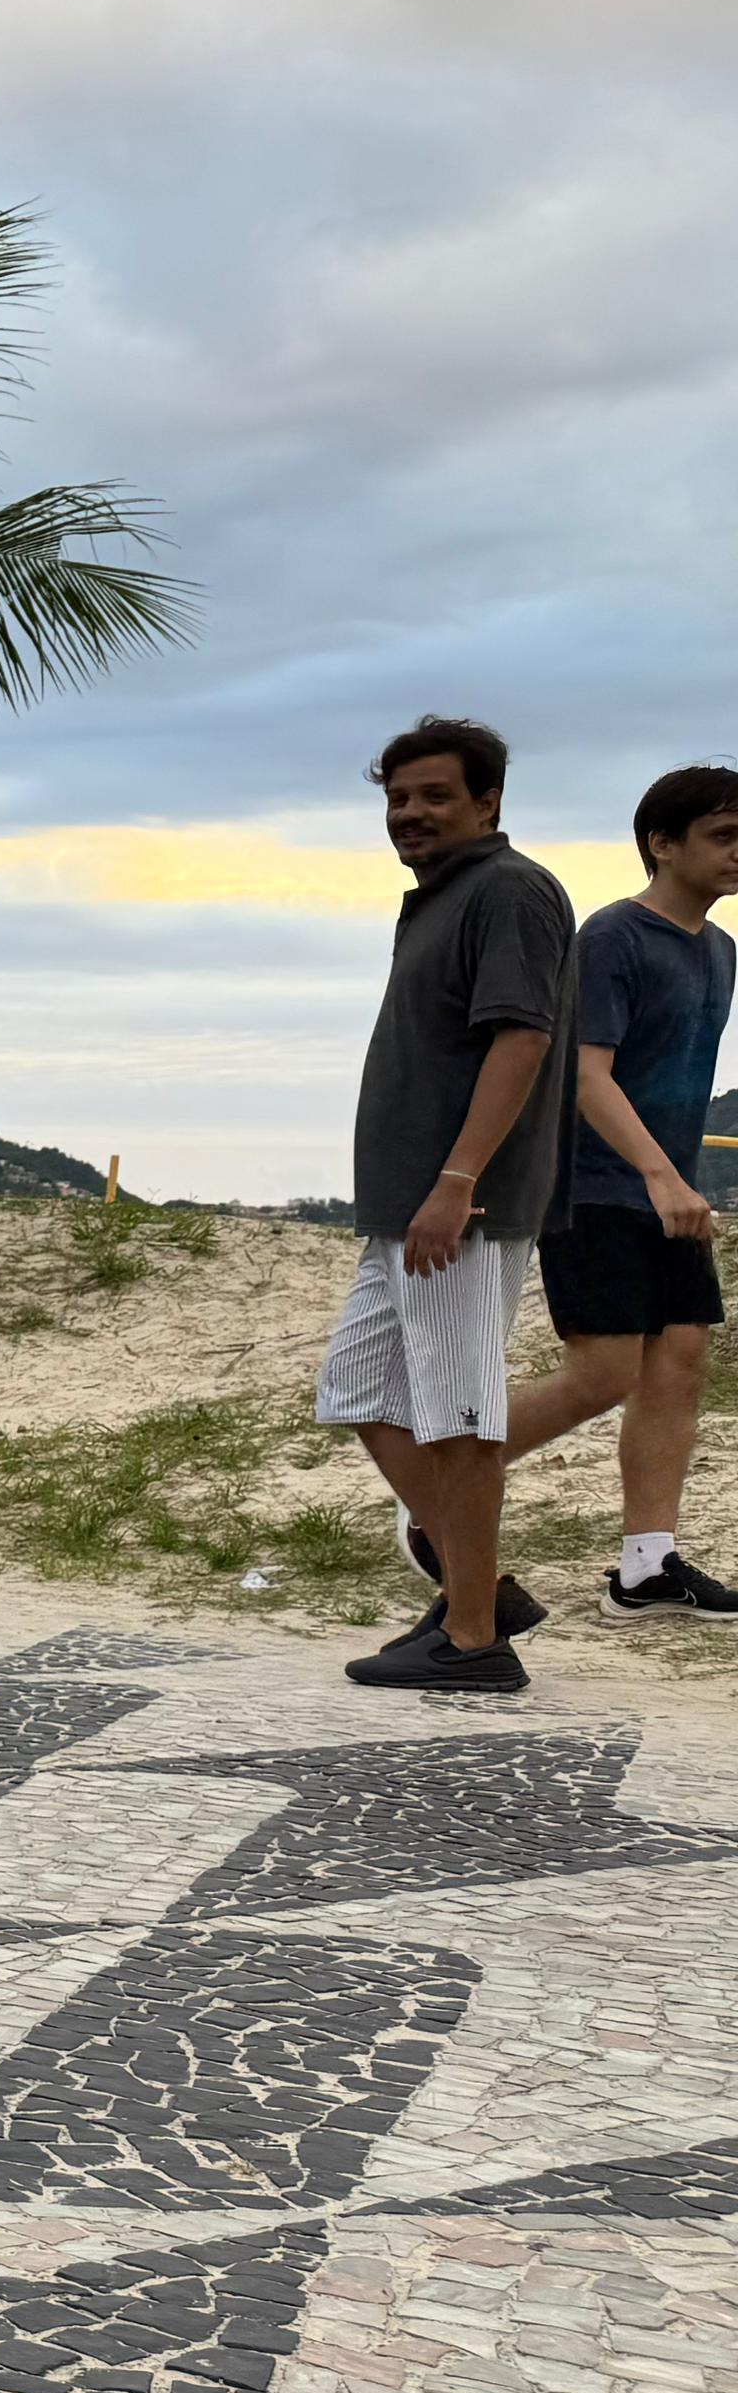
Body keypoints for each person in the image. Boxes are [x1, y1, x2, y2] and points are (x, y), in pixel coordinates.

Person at [322, 717, 577, 1691]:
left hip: (455, 1208)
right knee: (351, 1389)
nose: (409, 815)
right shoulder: (440, 898)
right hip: (402, 1206)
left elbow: (520, 1038)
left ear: (486, 801)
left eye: (431, 796)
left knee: (457, 1417)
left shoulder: (507, 892)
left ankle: (471, 1637)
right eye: (395, 799)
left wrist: (456, 1180)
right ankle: (480, 1588)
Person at [489, 763, 738, 1617]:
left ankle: (647, 1565)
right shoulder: (611, 938)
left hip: (667, 1191)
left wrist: (675, 1181)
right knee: (601, 1373)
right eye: (724, 836)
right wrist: (661, 1174)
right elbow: (587, 1077)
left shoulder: (720, 949)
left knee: (679, 1362)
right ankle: (441, 1485)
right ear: (662, 844)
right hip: (593, 1186)